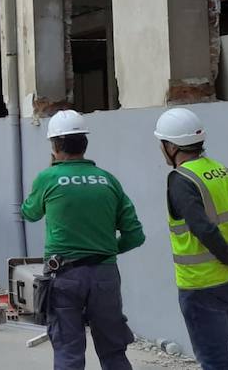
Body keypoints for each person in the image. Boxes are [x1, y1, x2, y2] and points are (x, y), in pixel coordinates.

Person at [21, 109, 145, 370]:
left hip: (63, 275)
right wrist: (107, 250)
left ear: (54, 145)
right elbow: (135, 235)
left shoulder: (48, 178)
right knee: (113, 351)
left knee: (68, 353)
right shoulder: (108, 180)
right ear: (84, 143)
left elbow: (29, 213)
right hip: (104, 275)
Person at [154, 108, 228, 370]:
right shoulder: (224, 172)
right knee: (224, 355)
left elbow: (203, 228)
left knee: (213, 361)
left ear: (171, 146)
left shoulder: (181, 180)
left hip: (202, 287)